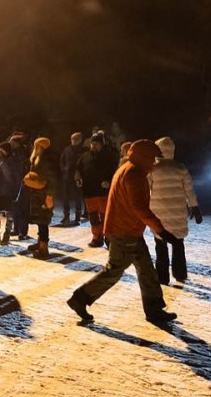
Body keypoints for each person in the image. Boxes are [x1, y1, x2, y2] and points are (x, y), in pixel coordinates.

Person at [66, 140, 179, 324]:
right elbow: (139, 208)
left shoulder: (128, 168)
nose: (154, 163)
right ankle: (80, 299)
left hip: (127, 230)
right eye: (152, 158)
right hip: (125, 231)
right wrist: (161, 231)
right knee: (114, 271)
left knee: (146, 271)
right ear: (143, 157)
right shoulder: (134, 174)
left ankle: (154, 309)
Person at [149, 136, 202, 284]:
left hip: (158, 213)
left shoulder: (152, 169)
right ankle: (180, 273)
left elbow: (146, 190)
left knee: (160, 245)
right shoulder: (180, 168)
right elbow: (189, 190)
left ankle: (162, 276)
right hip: (177, 213)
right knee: (178, 244)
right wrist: (194, 207)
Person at [76, 132, 119, 247]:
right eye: (92, 143)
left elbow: (115, 172)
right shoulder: (84, 157)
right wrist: (78, 178)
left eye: (96, 144)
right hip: (89, 192)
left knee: (106, 217)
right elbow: (77, 169)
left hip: (103, 192)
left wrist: (109, 182)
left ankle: (109, 238)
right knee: (93, 217)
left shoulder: (109, 157)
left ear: (101, 144)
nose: (93, 146)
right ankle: (97, 237)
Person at [22, 137, 57, 259]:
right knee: (39, 221)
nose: (34, 148)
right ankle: (39, 242)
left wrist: (49, 195)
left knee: (43, 222)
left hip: (43, 195)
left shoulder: (46, 161)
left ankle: (44, 248)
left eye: (36, 146)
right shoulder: (37, 159)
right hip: (37, 194)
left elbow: (52, 180)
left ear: (41, 147)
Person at [0, 140, 23, 244]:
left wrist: (16, 193)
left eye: (2, 151)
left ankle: (7, 235)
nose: (0, 153)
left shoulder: (14, 162)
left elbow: (16, 178)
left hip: (9, 192)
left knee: (9, 215)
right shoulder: (0, 160)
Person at [59, 132, 85, 225]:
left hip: (77, 177)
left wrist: (80, 173)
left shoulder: (82, 151)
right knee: (65, 197)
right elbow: (61, 161)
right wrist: (64, 169)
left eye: (76, 139)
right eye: (72, 139)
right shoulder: (67, 149)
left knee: (78, 196)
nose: (73, 141)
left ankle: (78, 216)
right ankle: (66, 215)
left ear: (80, 140)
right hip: (67, 176)